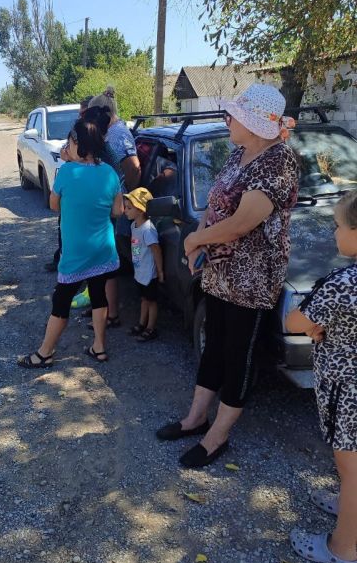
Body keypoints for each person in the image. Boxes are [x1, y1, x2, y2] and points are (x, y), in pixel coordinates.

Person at [156, 83, 300, 468]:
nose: (227, 120)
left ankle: (217, 439)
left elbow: (243, 222)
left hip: (252, 280)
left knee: (238, 356)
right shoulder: (239, 153)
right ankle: (195, 419)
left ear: (253, 124)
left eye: (233, 115)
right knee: (214, 345)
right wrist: (199, 241)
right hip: (220, 273)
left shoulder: (278, 161)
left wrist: (196, 240)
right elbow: (218, 204)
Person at [285, 190, 357, 563]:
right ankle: (347, 501)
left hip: (348, 391)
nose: (333, 233)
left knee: (351, 466)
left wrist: (316, 326)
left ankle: (343, 549)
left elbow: (295, 321)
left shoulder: (344, 282)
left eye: (338, 226)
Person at [18, 110, 123, 368]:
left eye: (70, 141)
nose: (67, 146)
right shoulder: (109, 172)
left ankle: (45, 352)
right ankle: (99, 346)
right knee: (99, 296)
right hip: (103, 249)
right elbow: (118, 211)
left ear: (78, 144)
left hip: (76, 251)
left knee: (61, 301)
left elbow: (54, 205)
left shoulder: (66, 173)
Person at [88, 86, 141, 327]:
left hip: (121, 207)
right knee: (111, 259)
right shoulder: (113, 131)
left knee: (118, 259)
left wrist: (127, 195)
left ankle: (118, 312)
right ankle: (108, 310)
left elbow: (133, 168)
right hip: (115, 206)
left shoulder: (118, 134)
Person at [44, 96, 93, 273]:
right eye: (79, 112)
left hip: (84, 185)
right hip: (73, 182)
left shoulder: (92, 133)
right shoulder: (78, 128)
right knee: (64, 227)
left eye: (83, 112)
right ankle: (63, 259)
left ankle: (76, 269)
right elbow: (65, 151)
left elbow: (78, 155)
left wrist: (71, 156)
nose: (80, 116)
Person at [123, 187, 164, 342]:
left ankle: (151, 328)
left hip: (149, 273)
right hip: (140, 271)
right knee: (144, 299)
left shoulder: (148, 229)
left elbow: (156, 250)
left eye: (129, 208)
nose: (125, 210)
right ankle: (141, 324)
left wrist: (160, 271)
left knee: (151, 300)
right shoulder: (134, 226)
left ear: (140, 210)